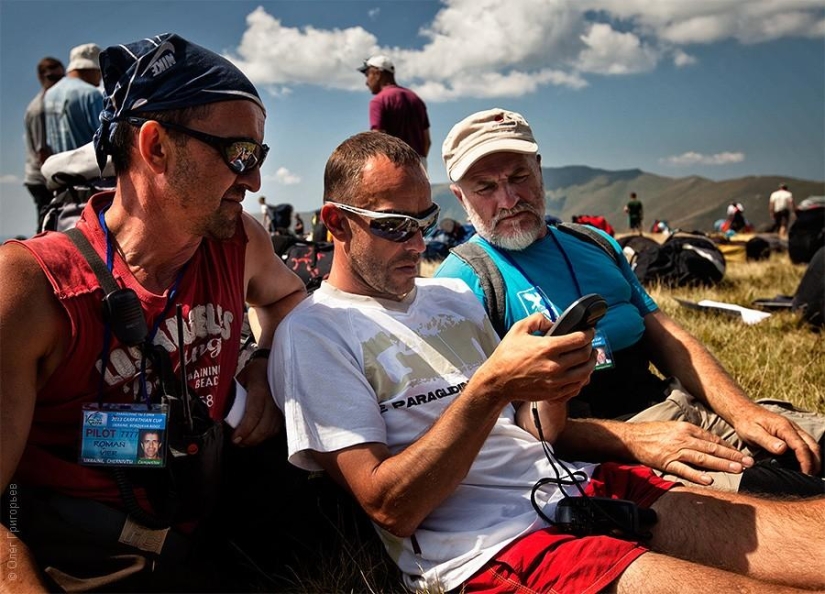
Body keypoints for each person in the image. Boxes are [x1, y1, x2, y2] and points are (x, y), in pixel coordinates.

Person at [270, 130, 825, 594]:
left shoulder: (450, 300)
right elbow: (392, 508)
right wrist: (489, 387)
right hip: (496, 545)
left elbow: (538, 432)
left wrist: (553, 384)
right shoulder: (314, 332)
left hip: (580, 487)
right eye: (394, 224)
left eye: (424, 220)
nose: (417, 243)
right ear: (336, 223)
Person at [0, 33, 306, 592]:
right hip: (86, 556)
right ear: (156, 146)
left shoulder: (239, 243)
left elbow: (288, 297)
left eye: (258, 157)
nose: (256, 179)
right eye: (240, 153)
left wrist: (262, 364)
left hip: (201, 523)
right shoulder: (31, 287)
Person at [434, 108, 824, 495]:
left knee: (806, 446)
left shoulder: (594, 242)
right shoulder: (464, 280)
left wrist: (743, 410)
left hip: (676, 405)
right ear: (459, 196)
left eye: (519, 176)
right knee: (795, 500)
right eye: (485, 187)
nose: (508, 199)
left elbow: (667, 337)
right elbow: (492, 428)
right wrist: (633, 439)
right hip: (602, 453)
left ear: (539, 168)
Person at [358, 54, 431, 165]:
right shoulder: (416, 99)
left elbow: (379, 141)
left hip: (395, 165)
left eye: (367, 75)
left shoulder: (379, 101)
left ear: (377, 74)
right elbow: (427, 141)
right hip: (419, 164)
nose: (366, 82)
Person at [23, 56, 65, 234]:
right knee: (46, 226)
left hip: (44, 175)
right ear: (42, 78)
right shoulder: (40, 108)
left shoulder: (50, 104)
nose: (59, 84)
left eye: (62, 79)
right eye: (53, 79)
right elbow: (43, 152)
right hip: (42, 179)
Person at [43, 43, 104, 154]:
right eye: (99, 71)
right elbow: (104, 140)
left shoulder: (49, 94)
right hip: (88, 168)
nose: (101, 77)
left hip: (58, 168)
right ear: (90, 68)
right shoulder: (91, 94)